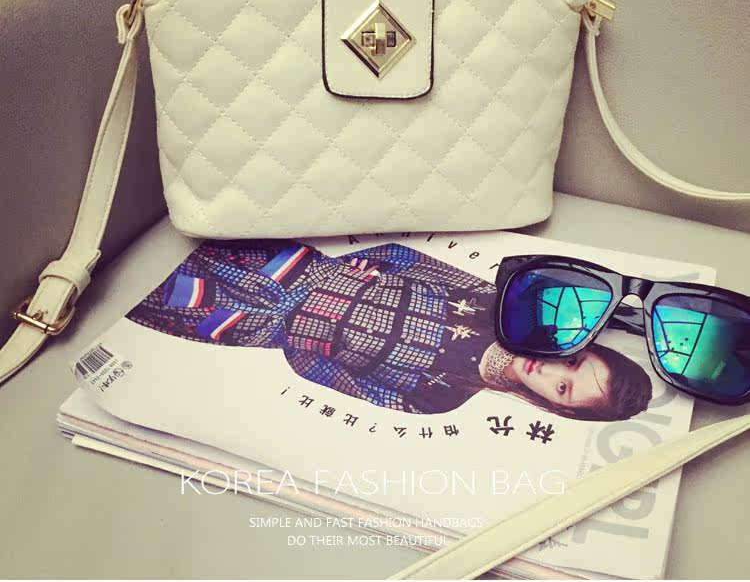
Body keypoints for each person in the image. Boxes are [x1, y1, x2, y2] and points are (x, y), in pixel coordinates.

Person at [128, 239, 652, 421]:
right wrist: (344, 276)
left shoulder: (441, 398)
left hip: (257, 323)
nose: (553, 372)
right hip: (292, 268)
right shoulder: (494, 303)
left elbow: (333, 379)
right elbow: (405, 258)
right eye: (573, 362)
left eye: (564, 388)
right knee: (181, 246)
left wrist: (300, 333)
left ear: (555, 405)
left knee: (152, 292)